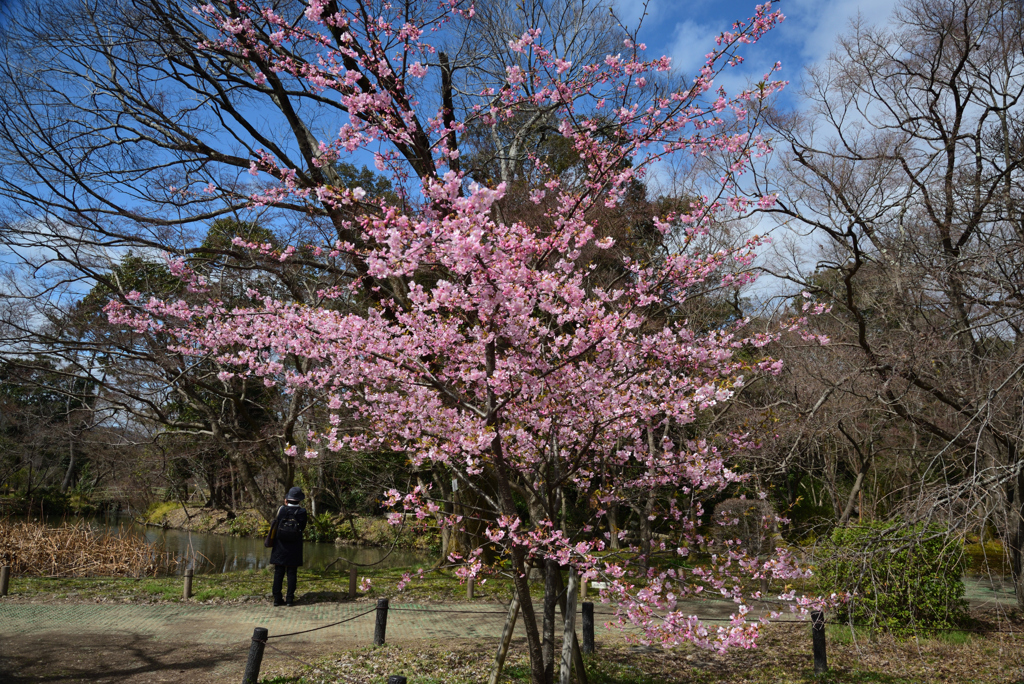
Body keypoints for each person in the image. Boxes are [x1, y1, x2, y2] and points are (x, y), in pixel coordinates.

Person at [269, 486, 308, 606]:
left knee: (278, 572)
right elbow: (302, 527)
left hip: (280, 545)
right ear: (299, 500)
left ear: (287, 499)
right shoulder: (302, 512)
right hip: (294, 546)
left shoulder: (282, 510)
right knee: (292, 572)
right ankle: (290, 599)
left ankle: (277, 599)